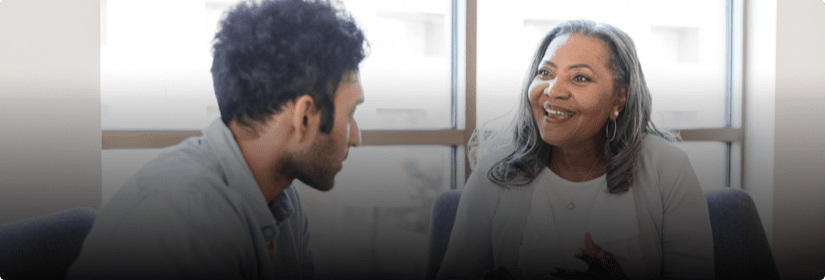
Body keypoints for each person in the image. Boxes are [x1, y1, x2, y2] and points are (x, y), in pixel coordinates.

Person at [67, 0, 366, 279]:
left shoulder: (283, 200)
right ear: (303, 118)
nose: (355, 138)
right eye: (349, 115)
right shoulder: (183, 219)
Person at [436, 20, 714, 280]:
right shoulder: (496, 170)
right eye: (545, 73)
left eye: (580, 78)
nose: (553, 91)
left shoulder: (668, 169)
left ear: (620, 96)